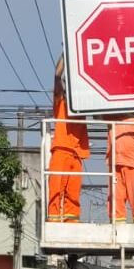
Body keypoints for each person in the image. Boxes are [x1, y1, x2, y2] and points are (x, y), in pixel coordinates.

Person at [47, 55, 90, 223]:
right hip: (61, 151)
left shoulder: (83, 105)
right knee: (56, 190)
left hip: (77, 154)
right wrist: (67, 53)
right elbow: (57, 76)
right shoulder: (60, 102)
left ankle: (71, 223)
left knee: (73, 193)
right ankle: (54, 222)